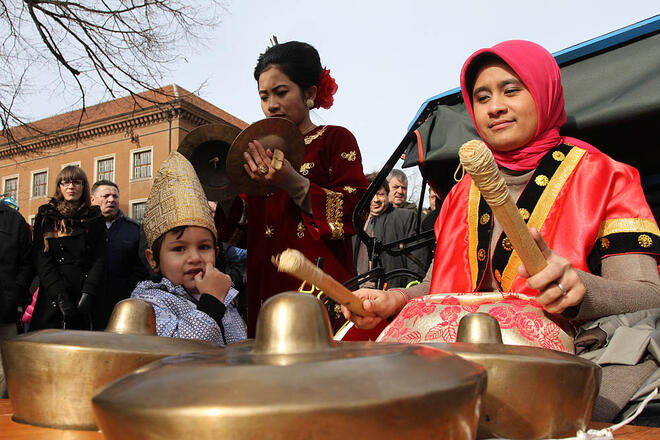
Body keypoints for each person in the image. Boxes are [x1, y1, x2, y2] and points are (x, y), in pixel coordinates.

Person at [345, 40, 660, 420]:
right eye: (481, 97)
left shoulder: (606, 176)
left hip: (554, 368)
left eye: (511, 90)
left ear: (545, 93)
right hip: (446, 370)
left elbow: (647, 296)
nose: (494, 106)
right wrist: (395, 299)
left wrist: (580, 289)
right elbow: (437, 287)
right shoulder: (461, 192)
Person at [219, 40, 368, 336]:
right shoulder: (256, 155)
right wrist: (223, 185)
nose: (271, 105)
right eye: (263, 96)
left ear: (310, 93)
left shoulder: (334, 140)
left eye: (281, 92)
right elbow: (238, 232)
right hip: (266, 293)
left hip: (320, 295)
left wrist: (292, 181)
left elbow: (355, 213)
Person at [132, 152, 246, 346]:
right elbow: (180, 352)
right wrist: (211, 304)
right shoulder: (150, 303)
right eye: (179, 249)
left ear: (216, 253)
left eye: (204, 247)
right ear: (153, 259)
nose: (194, 257)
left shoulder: (226, 295)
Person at [30, 166, 107, 331]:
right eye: (65, 182)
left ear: (83, 186)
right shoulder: (46, 216)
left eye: (76, 182)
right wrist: (58, 293)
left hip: (84, 289)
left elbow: (100, 256)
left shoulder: (94, 217)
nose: (71, 187)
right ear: (59, 187)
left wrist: (89, 290)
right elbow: (41, 257)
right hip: (54, 289)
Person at [91, 180, 148, 329]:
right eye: (105, 196)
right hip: (88, 304)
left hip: (122, 304)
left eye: (115, 196)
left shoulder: (134, 229)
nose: (111, 200)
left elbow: (141, 266)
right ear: (92, 200)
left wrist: (130, 291)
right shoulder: (83, 228)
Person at [354, 175, 428, 288]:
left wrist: (410, 290)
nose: (376, 199)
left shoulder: (406, 218)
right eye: (371, 195)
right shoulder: (355, 222)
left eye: (380, 194)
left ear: (387, 195)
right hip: (357, 291)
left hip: (392, 292)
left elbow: (417, 261)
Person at [0, 195, 33, 397]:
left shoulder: (13, 220)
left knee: (5, 371)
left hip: (4, 309)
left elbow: (27, 264)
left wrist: (15, 295)